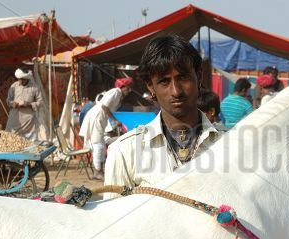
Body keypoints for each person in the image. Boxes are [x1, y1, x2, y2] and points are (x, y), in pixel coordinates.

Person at [104, 35, 220, 197]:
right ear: (151, 87)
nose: (176, 91)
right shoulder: (124, 151)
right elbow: (114, 217)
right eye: (164, 81)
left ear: (198, 77)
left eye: (183, 77)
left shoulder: (228, 145)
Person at [79, 77, 133, 180]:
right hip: (97, 117)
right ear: (123, 87)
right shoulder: (116, 92)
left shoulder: (118, 95)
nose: (129, 91)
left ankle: (100, 170)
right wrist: (115, 120)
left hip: (100, 118)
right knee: (98, 144)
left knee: (100, 144)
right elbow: (104, 106)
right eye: (128, 88)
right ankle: (98, 172)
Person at [5, 68, 43, 141]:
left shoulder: (34, 87)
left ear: (27, 78)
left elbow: (40, 103)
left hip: (29, 122)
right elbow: (8, 100)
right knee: (11, 140)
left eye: (22, 79)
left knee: (28, 143)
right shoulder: (14, 86)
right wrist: (12, 103)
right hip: (15, 119)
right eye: (19, 79)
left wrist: (28, 104)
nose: (20, 81)